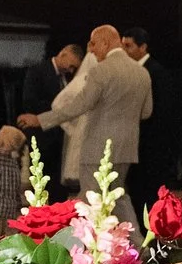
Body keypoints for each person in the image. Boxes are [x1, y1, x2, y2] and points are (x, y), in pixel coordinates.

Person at [28, 24, 150, 214]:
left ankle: (73, 241)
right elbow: (146, 112)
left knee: (88, 200)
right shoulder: (141, 72)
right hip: (126, 148)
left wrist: (42, 120)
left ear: (105, 42)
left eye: (93, 44)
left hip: (97, 148)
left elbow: (79, 106)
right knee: (118, 198)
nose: (91, 49)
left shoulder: (100, 71)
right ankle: (138, 243)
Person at [16, 41, 81, 183]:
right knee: (40, 180)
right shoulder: (38, 71)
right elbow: (30, 101)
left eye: (74, 68)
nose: (71, 70)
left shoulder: (69, 78)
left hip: (60, 136)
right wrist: (56, 112)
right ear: (63, 54)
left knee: (56, 181)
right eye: (70, 66)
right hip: (41, 134)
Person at [118, 27, 164, 216]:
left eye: (128, 46)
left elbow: (160, 112)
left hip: (150, 146)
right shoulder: (132, 71)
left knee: (148, 196)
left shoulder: (155, 72)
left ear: (143, 47)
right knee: (136, 192)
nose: (124, 51)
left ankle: (152, 239)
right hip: (135, 144)